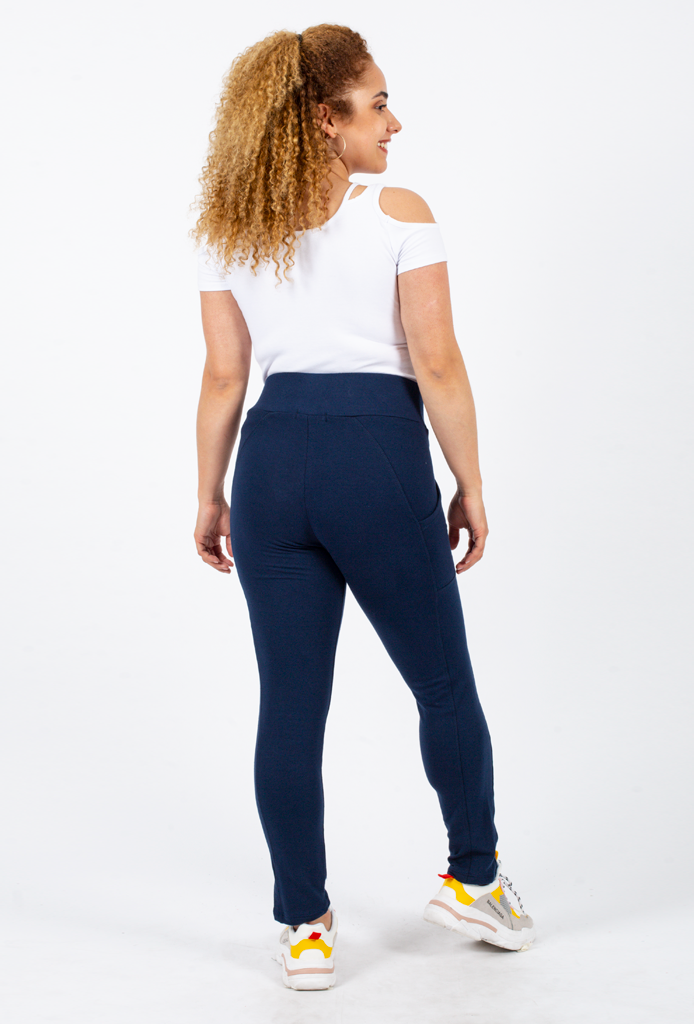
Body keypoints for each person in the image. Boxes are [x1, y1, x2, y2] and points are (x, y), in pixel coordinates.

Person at [191, 24, 535, 990]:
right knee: (443, 684)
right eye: (377, 103)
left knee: (289, 708)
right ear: (322, 117)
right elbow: (437, 362)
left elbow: (224, 378)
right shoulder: (396, 211)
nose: (394, 122)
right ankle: (476, 880)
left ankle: (304, 925)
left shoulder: (229, 227)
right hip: (375, 459)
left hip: (269, 466)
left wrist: (210, 493)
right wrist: (470, 482)